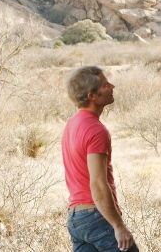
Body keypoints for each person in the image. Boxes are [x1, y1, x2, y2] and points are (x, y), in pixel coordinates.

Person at [62, 66, 139, 252]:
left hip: (76, 218)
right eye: (105, 85)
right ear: (92, 96)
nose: (112, 86)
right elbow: (97, 183)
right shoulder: (96, 130)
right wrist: (118, 226)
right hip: (96, 216)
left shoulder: (71, 124)